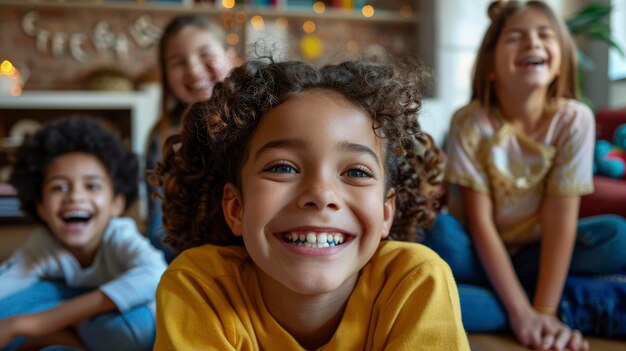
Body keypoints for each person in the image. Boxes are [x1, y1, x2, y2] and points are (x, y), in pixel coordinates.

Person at [152, 58, 470, 350]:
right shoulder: (198, 287)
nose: (321, 194)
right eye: (282, 167)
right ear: (236, 208)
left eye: (356, 172)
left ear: (386, 213)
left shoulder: (416, 281)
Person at [421, 1, 626, 350]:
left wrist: (541, 309)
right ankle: (550, 304)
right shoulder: (470, 122)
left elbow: (561, 215)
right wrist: (521, 313)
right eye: (516, 37)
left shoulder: (574, 119)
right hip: (476, 249)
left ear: (560, 57)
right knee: (438, 233)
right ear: (490, 67)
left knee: (616, 236)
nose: (533, 43)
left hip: (536, 250)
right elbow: (480, 223)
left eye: (544, 35)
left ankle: (518, 303)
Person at [0, 117, 168, 351]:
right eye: (59, 187)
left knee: (133, 330)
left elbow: (156, 275)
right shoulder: (42, 244)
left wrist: (33, 324)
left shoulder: (118, 234)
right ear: (41, 207)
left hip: (120, 323)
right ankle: (60, 340)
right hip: (69, 314)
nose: (75, 197)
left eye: (92, 186)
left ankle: (55, 335)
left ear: (116, 205)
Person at [145, 14, 235, 262]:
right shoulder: (162, 137)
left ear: (230, 56)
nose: (194, 70)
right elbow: (158, 224)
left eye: (206, 54)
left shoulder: (258, 122)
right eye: (178, 62)